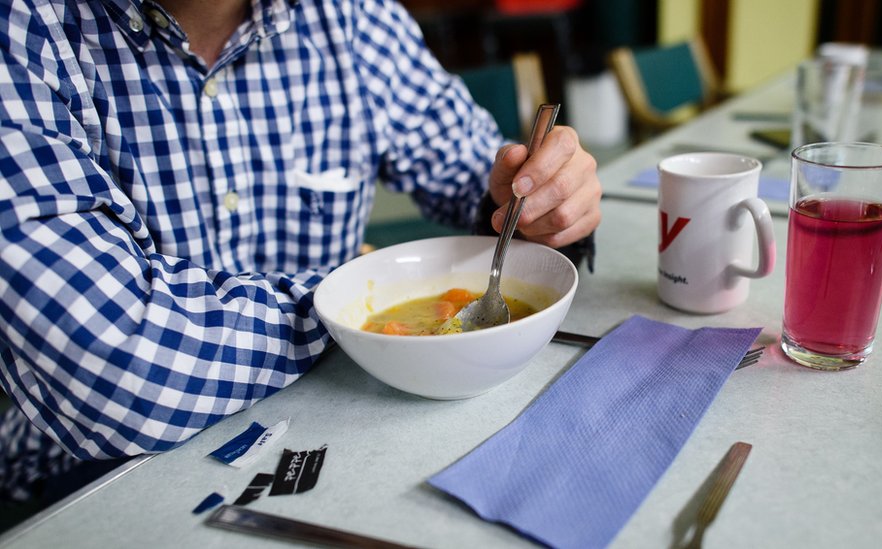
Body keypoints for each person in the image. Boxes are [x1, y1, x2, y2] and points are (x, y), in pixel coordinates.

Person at [0, 0, 602, 510]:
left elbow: (481, 176)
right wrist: (350, 315)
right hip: (90, 477)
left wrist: (541, 204)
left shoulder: (352, 17)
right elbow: (116, 367)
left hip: (333, 425)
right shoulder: (26, 32)